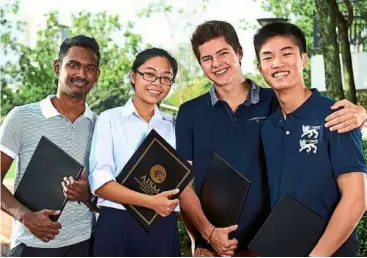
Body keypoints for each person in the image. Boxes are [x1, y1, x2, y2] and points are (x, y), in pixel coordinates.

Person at [175, 20, 367, 257]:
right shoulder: (268, 124)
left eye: (223, 53)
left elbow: (356, 198)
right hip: (242, 249)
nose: (216, 64)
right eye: (207, 59)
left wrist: (362, 113)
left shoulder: (303, 109)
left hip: (300, 248)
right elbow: (182, 183)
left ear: (239, 53)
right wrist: (203, 237)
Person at [254, 22, 367, 256]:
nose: (277, 63)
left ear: (304, 59)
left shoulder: (337, 115)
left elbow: (356, 199)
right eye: (268, 57)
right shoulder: (268, 127)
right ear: (260, 68)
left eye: (287, 53)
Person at [0, 35, 100, 256]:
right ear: (57, 66)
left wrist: (88, 194)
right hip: (30, 246)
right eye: (73, 65)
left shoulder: (101, 127)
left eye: (90, 68)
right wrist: (26, 217)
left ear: (97, 75)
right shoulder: (21, 117)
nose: (81, 74)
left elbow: (102, 197)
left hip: (85, 245)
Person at [89, 48, 181, 257]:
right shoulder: (109, 119)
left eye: (166, 78)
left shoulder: (174, 125)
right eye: (149, 74)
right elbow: (101, 183)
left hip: (162, 226)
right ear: (133, 76)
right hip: (118, 224)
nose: (157, 83)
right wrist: (150, 202)